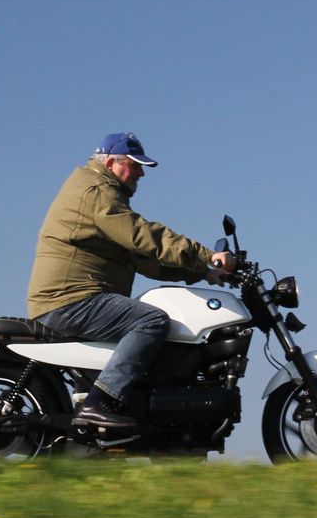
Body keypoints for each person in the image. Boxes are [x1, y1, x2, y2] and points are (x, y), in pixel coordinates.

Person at [27, 132, 236, 431]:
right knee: (150, 321)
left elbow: (141, 258)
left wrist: (202, 272)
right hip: (71, 300)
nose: (140, 173)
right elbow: (142, 235)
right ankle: (101, 403)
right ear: (112, 162)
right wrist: (208, 255)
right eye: (136, 165)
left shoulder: (97, 191)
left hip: (75, 296)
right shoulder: (97, 192)